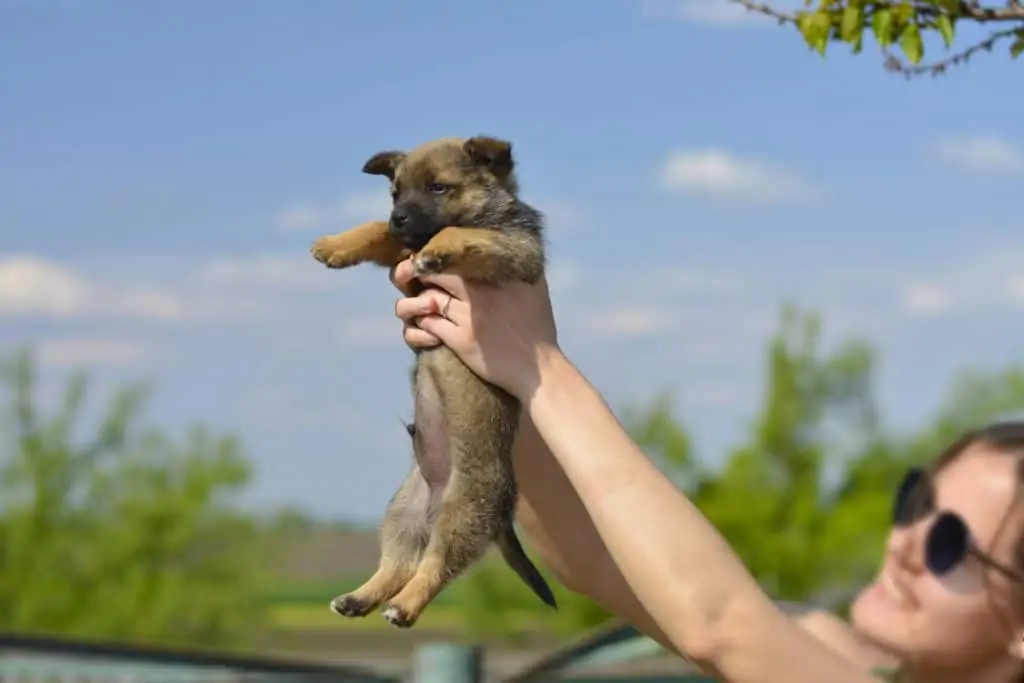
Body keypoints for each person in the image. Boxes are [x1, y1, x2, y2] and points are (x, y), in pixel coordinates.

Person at [387, 257, 1024, 683]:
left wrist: (538, 367)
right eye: (915, 502)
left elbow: (719, 625)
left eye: (950, 544)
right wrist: (483, 361)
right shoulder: (831, 649)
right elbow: (593, 557)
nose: (905, 542)